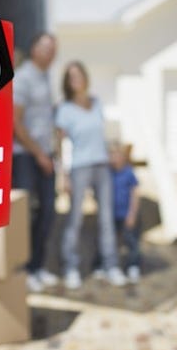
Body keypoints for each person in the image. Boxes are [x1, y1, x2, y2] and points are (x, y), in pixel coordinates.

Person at [55, 61, 126, 289]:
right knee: (75, 218)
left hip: (102, 165)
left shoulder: (97, 104)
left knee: (106, 218)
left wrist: (115, 153)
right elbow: (59, 144)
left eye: (78, 75)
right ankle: (70, 267)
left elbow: (105, 135)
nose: (76, 80)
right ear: (67, 82)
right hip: (79, 168)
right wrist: (63, 174)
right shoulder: (65, 109)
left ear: (85, 78)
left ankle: (110, 266)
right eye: (71, 76)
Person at [12, 33, 59, 292]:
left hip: (45, 155)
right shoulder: (24, 77)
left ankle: (39, 266)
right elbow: (15, 123)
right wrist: (39, 154)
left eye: (53, 49)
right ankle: (25, 269)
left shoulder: (46, 78)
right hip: (25, 156)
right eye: (45, 47)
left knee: (49, 212)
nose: (50, 53)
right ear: (34, 49)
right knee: (28, 213)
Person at [93, 142, 141, 283]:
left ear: (123, 157)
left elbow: (135, 194)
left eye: (116, 155)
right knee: (106, 240)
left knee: (131, 241)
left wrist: (132, 214)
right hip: (110, 215)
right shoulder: (107, 173)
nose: (113, 158)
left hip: (126, 214)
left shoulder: (129, 173)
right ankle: (100, 265)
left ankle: (133, 266)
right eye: (111, 155)